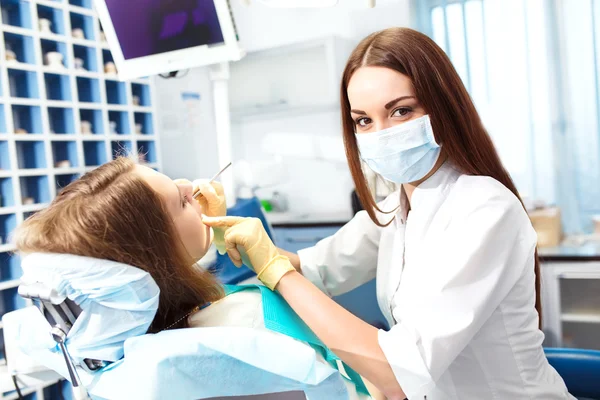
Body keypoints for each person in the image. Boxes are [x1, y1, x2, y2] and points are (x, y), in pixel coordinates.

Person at [201, 27, 574, 400]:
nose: (381, 134)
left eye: (401, 111)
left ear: (441, 107)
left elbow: (401, 373)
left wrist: (275, 270)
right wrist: (230, 237)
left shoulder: (484, 210)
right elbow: (315, 270)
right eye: (363, 120)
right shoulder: (397, 207)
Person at [13, 157, 373, 400]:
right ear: (157, 254)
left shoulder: (137, 340)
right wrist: (277, 270)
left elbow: (166, 286)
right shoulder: (245, 324)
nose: (191, 186)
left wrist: (206, 242)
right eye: (181, 200)